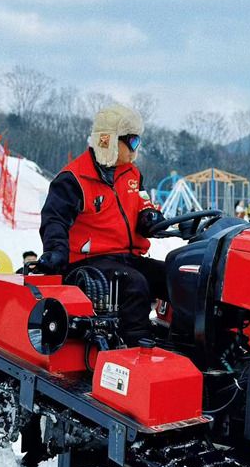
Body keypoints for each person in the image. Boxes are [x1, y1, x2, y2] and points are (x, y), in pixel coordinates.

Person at [39, 105, 166, 346]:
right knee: (134, 284)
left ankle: (185, 343)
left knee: (176, 275)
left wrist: (149, 217)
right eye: (132, 141)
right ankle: (137, 350)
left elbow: (141, 203)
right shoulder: (73, 178)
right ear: (108, 141)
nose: (135, 149)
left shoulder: (132, 174)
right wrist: (55, 250)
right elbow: (55, 218)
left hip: (128, 256)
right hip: (90, 261)